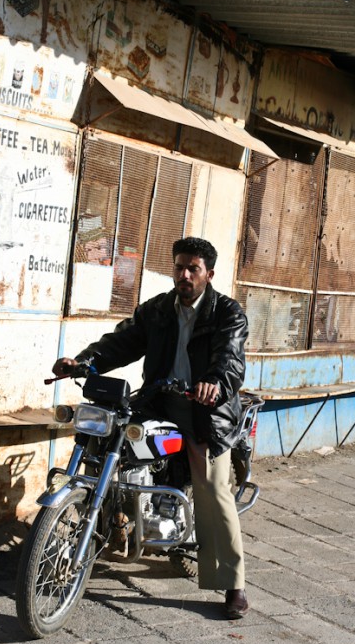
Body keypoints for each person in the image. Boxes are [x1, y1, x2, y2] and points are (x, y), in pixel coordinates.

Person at [52, 236, 250, 619]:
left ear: (209, 273)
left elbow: (231, 359)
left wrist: (215, 383)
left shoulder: (228, 313)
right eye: (179, 266)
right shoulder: (158, 309)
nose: (185, 274)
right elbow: (121, 342)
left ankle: (233, 582)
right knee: (106, 443)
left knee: (212, 488)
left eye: (193, 268)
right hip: (157, 400)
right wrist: (83, 361)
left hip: (204, 410)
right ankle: (115, 524)